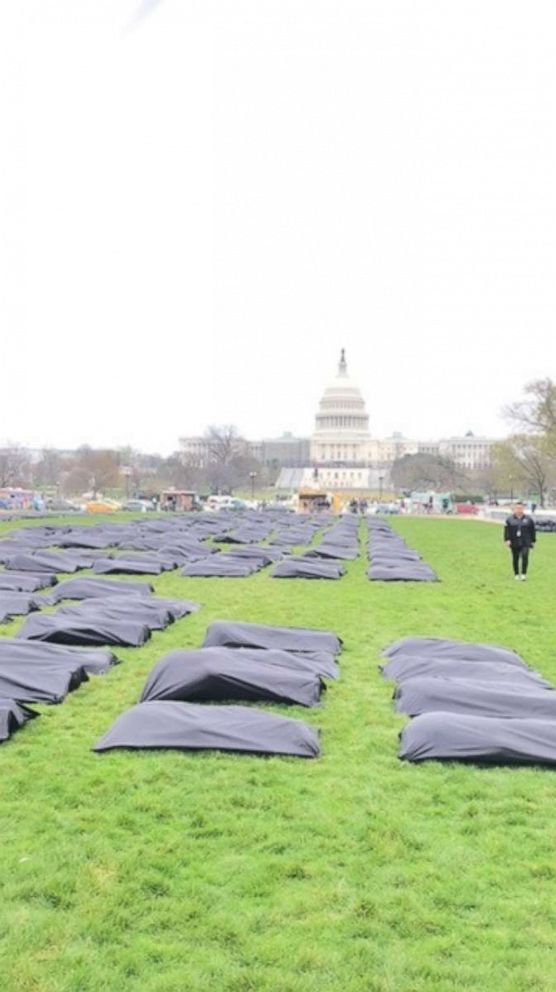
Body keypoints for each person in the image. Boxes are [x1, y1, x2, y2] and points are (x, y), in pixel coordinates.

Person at [504, 502, 536, 580]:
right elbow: (506, 530)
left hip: (525, 541)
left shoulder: (528, 519)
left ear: (523, 509)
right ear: (514, 509)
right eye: (517, 508)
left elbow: (532, 530)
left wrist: (533, 540)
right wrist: (507, 539)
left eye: (521, 508)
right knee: (515, 558)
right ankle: (516, 574)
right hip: (514, 541)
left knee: (525, 556)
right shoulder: (509, 519)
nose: (519, 510)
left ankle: (524, 574)